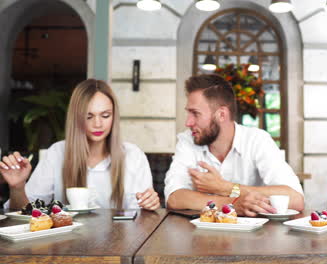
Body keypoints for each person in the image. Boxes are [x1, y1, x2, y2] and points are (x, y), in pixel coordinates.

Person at [1, 79, 160, 210]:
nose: (98, 124)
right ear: (76, 118)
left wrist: (149, 205)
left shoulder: (133, 155)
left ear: (114, 116)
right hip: (68, 246)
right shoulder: (57, 153)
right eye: (88, 116)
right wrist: (17, 188)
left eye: (105, 115)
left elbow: (141, 215)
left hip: (122, 246)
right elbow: (23, 212)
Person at [165, 74, 304, 216]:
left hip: (257, 235)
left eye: (195, 113)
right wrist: (231, 204)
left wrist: (226, 188)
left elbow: (295, 199)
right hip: (201, 233)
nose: (188, 123)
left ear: (221, 115)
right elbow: (174, 198)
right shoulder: (188, 140)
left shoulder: (257, 140)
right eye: (189, 113)